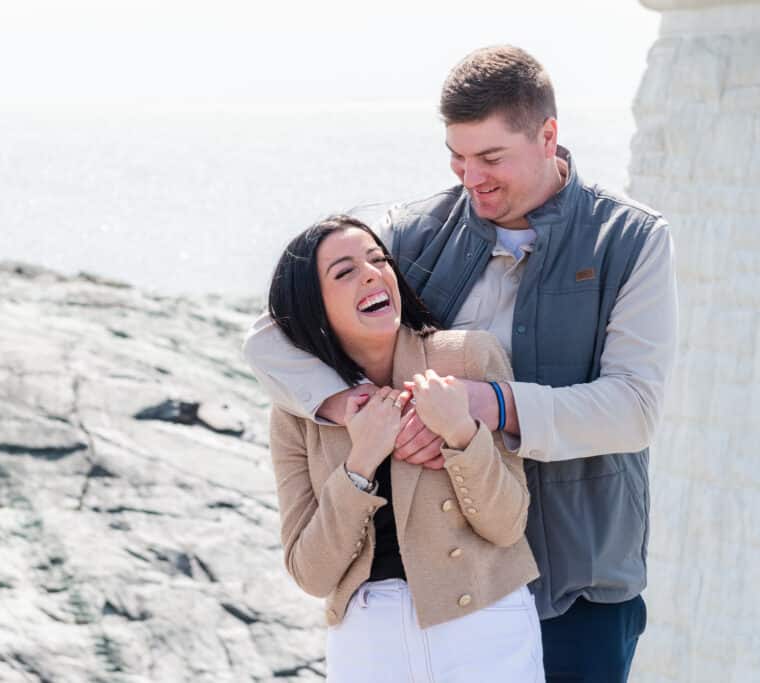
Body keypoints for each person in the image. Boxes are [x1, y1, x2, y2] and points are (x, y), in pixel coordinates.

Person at [244, 46, 677, 682]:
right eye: (458, 157)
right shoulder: (411, 232)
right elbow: (274, 330)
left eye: (491, 158)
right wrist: (351, 402)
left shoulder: (631, 239)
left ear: (548, 135)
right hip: (450, 586)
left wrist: (486, 406)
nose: (471, 178)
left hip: (580, 580)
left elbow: (634, 409)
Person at [266, 214, 543, 682]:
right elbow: (311, 574)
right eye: (345, 271)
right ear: (313, 305)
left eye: (378, 259)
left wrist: (460, 433)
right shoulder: (298, 411)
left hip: (484, 624)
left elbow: (507, 523)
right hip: (368, 639)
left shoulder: (469, 357)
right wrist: (360, 462)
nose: (373, 273)